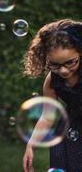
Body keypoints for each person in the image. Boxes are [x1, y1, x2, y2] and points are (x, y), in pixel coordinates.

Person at [22, 19, 82, 172]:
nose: (63, 71)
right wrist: (31, 144)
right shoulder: (52, 80)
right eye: (54, 65)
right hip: (67, 131)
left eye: (70, 63)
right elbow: (48, 116)